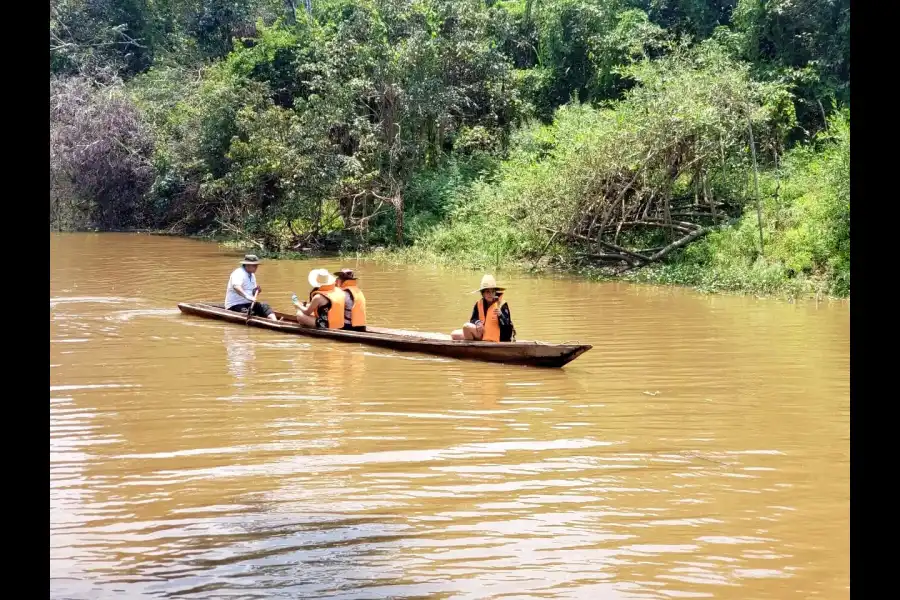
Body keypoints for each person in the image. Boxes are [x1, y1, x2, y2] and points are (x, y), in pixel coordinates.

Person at [451, 274, 515, 342]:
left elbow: (507, 326)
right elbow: (473, 319)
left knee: (466, 326)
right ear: (483, 293)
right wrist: (478, 323)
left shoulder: (502, 305)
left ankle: (474, 348)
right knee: (454, 334)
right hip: (483, 334)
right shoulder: (478, 304)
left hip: (499, 337)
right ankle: (475, 346)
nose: (490, 294)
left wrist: (500, 315)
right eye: (487, 292)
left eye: (492, 291)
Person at [224, 254, 277, 321]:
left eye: (256, 265)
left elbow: (252, 292)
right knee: (249, 313)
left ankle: (275, 321)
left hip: (249, 304)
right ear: (247, 265)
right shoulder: (238, 273)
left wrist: (257, 290)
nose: (256, 267)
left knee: (265, 306)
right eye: (254, 265)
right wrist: (248, 297)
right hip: (235, 305)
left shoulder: (252, 275)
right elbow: (236, 287)